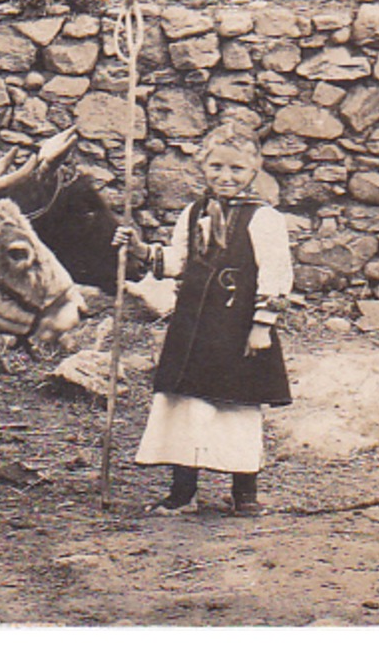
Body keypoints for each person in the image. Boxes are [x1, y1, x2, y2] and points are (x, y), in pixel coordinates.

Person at [115, 121, 293, 516]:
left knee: (237, 406)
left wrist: (262, 325)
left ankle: (244, 493)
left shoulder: (263, 218)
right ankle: (183, 493)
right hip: (194, 326)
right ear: (203, 167)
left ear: (254, 170)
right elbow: (178, 261)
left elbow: (276, 273)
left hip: (237, 328)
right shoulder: (193, 212)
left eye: (236, 169)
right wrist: (141, 249)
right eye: (216, 167)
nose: (225, 177)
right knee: (186, 405)